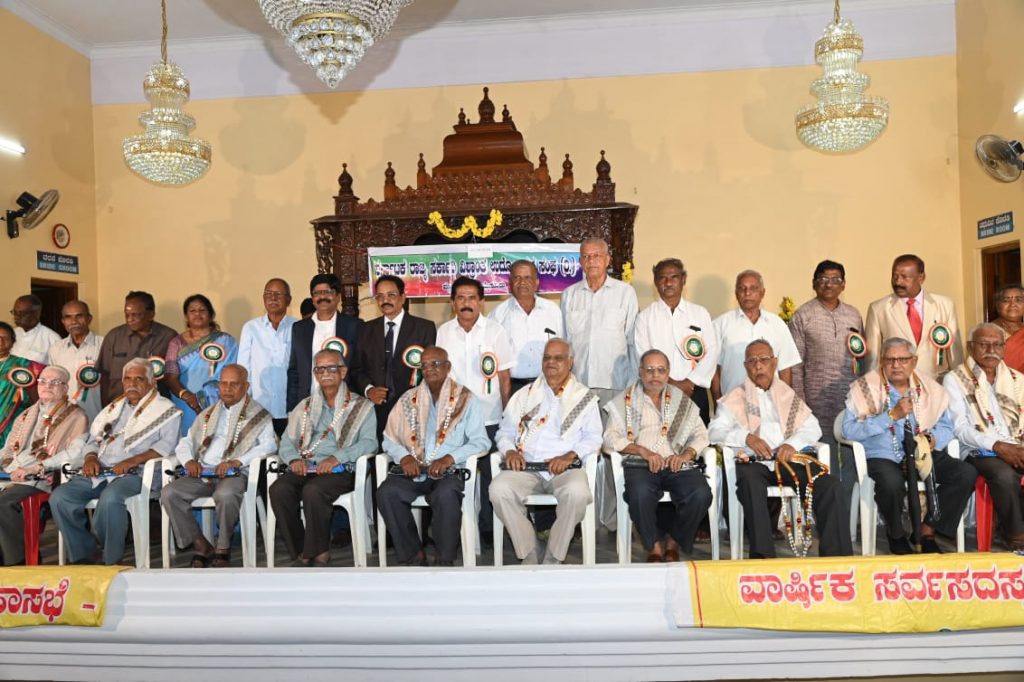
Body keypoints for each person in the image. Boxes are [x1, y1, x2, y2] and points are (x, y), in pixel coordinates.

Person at [709, 339, 851, 558]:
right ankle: (763, 558)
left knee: (831, 486)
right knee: (750, 484)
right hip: (753, 463)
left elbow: (813, 428)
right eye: (752, 361)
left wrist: (791, 444)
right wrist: (747, 438)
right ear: (745, 366)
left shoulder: (787, 395)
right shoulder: (734, 398)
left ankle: (837, 559)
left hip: (789, 462)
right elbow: (714, 431)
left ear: (774, 363)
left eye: (764, 360)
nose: (758, 366)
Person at [842, 337, 974, 554]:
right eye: (890, 360)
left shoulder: (930, 389)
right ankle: (895, 534)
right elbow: (849, 430)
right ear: (882, 361)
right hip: (883, 455)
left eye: (903, 359)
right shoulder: (864, 388)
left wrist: (933, 439)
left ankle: (927, 530)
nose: (896, 365)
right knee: (891, 483)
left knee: (965, 473)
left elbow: (946, 427)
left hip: (922, 453)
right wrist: (891, 416)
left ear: (914, 361)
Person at [50, 358, 181, 565]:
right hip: (101, 470)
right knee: (60, 497)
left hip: (137, 473)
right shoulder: (113, 408)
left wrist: (133, 460)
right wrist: (90, 458)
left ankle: (111, 559)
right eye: (127, 379)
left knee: (110, 499)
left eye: (139, 379)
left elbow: (167, 446)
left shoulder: (166, 409)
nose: (132, 384)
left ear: (151, 383)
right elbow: (92, 441)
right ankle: (85, 553)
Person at [490, 338, 602, 564]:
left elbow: (594, 437)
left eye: (558, 358)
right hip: (526, 467)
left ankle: (553, 556)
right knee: (498, 489)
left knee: (577, 493)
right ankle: (529, 551)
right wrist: (510, 452)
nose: (551, 362)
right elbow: (505, 432)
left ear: (570, 362)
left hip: (565, 468)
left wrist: (570, 456)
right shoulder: (524, 394)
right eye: (547, 357)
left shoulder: (584, 397)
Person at [378, 346, 489, 566]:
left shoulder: (466, 399)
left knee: (446, 494)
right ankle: (413, 554)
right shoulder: (408, 399)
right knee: (386, 493)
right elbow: (388, 438)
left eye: (435, 364)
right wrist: (404, 457)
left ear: (448, 367)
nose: (429, 369)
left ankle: (444, 558)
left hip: (448, 471)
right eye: (425, 365)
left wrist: (450, 458)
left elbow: (481, 441)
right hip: (414, 469)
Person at [162, 364, 277, 567]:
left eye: (234, 384)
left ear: (246, 387)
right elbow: (187, 441)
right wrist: (189, 460)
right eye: (224, 384)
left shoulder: (259, 415)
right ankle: (201, 544)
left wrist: (237, 461)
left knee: (225, 494)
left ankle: (223, 547)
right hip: (204, 472)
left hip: (235, 474)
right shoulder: (208, 414)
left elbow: (269, 445)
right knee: (170, 493)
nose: (227, 389)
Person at [270, 349, 376, 567]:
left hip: (341, 469)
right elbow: (287, 440)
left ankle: (319, 552)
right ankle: (301, 550)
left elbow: (369, 442)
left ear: (343, 372)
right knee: (279, 489)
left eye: (331, 368)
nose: (325, 373)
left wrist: (337, 457)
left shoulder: (362, 406)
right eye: (320, 369)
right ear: (315, 374)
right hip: (306, 465)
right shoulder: (305, 406)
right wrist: (294, 460)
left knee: (314, 490)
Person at [603, 349, 712, 562]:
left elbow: (701, 435)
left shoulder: (681, 400)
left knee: (700, 493)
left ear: (668, 372)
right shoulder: (625, 401)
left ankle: (673, 542)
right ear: (640, 372)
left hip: (676, 463)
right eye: (650, 370)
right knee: (640, 493)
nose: (655, 375)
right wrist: (641, 450)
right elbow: (609, 438)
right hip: (640, 465)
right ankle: (653, 547)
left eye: (661, 370)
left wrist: (686, 454)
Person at [436, 276, 514, 539]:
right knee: (454, 473)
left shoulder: (495, 331)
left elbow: (504, 376)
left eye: (472, 298)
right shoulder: (443, 332)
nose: (466, 303)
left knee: (491, 475)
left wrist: (507, 415)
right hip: (455, 419)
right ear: (452, 303)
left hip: (490, 416)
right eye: (460, 298)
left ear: (481, 302)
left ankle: (489, 529)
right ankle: (459, 531)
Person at [943, 323, 1024, 551]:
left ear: (1004, 348)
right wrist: (997, 446)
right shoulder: (955, 379)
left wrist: (1016, 447)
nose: (991, 350)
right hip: (977, 449)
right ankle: (1016, 536)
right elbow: (960, 428)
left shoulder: (1017, 379)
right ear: (971, 347)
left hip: (1016, 444)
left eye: (997, 344)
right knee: (1003, 474)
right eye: (984, 344)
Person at [789, 260, 865, 499]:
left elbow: (861, 358)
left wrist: (862, 399)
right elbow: (795, 364)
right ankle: (825, 509)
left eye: (835, 280)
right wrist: (801, 403)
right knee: (822, 459)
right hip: (815, 401)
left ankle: (849, 510)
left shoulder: (854, 315)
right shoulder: (803, 315)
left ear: (843, 284)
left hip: (849, 401)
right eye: (823, 279)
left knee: (852, 456)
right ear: (814, 284)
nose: (829, 284)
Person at [0, 366, 88, 565]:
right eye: (43, 381)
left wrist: (37, 468)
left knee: (2, 503)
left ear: (65, 388)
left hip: (42, 477)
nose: (47, 386)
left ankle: (19, 562)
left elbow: (74, 453)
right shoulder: (26, 414)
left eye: (55, 382)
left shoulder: (76, 416)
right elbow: (7, 449)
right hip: (11, 472)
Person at [352, 275, 436, 444]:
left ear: (403, 297)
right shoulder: (365, 329)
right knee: (378, 456)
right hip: (375, 410)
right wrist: (369, 390)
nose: (385, 300)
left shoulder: (424, 328)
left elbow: (431, 370)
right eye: (380, 296)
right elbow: (355, 369)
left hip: (413, 409)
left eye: (391, 295)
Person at [634, 258, 718, 424]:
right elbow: (642, 355)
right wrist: (669, 384)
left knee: (698, 437)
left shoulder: (700, 314)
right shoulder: (644, 318)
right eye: (662, 278)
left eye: (674, 277)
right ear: (655, 282)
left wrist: (690, 383)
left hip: (695, 391)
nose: (668, 282)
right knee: (659, 436)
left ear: (683, 279)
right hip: (658, 392)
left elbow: (711, 351)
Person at [560, 237, 637, 404]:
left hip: (615, 383)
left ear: (607, 260)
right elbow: (565, 341)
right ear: (580, 262)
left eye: (596, 256)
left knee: (614, 423)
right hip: (579, 384)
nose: (591, 261)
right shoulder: (569, 294)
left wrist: (633, 383)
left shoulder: (625, 293)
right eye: (586, 256)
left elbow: (632, 342)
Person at [864, 254, 962, 381]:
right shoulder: (878, 309)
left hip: (937, 384)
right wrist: (874, 386)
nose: (898, 282)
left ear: (921, 277)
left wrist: (959, 385)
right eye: (895, 276)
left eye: (904, 277)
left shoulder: (945, 305)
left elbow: (955, 355)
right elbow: (872, 359)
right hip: (897, 386)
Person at [712, 270, 800, 400]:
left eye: (753, 288)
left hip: (772, 403)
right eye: (742, 288)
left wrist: (784, 401)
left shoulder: (777, 324)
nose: (747, 293)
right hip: (733, 403)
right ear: (736, 294)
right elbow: (714, 369)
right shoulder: (720, 324)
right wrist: (718, 402)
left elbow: (785, 368)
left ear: (762, 293)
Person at [164, 294, 238, 435]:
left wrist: (211, 396)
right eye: (192, 311)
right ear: (186, 316)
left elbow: (234, 374)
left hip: (218, 401)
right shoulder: (176, 342)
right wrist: (188, 397)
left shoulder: (226, 341)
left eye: (202, 310)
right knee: (187, 441)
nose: (197, 314)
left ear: (211, 314)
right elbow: (170, 377)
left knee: (216, 441)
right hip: (185, 403)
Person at [286, 274, 359, 412]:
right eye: (317, 293)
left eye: (327, 292)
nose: (322, 297)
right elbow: (294, 371)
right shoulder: (299, 328)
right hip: (307, 403)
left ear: (338, 296)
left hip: (344, 404)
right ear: (313, 299)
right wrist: (292, 409)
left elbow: (359, 367)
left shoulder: (354, 326)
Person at [490, 260, 564, 394]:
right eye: (517, 278)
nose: (522, 282)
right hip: (512, 387)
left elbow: (563, 350)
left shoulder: (553, 311)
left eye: (527, 278)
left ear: (536, 282)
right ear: (510, 283)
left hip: (547, 386)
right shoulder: (498, 314)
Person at [237, 278, 297, 435]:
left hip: (289, 407)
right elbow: (243, 368)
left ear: (288, 300)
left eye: (278, 294)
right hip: (259, 407)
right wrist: (245, 404)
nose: (273, 298)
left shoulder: (298, 327)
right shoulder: (251, 328)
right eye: (268, 294)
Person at [96, 291, 176, 405]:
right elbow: (104, 376)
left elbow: (173, 376)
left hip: (154, 407)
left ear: (151, 315)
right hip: (119, 405)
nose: (130, 319)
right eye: (127, 315)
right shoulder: (113, 337)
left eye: (136, 315)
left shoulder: (168, 337)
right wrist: (106, 407)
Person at [46, 300, 104, 422]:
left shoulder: (104, 344)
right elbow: (52, 383)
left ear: (89, 319)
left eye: (79, 316)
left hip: (96, 415)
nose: (74, 321)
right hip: (64, 417)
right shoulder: (55, 349)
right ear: (63, 321)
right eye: (68, 317)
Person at [0, 321, 43, 448]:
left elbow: (36, 397)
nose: (1, 342)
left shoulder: (23, 365)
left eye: (5, 338)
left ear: (13, 342)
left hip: (12, 421)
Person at [10, 294, 60, 364]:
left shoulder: (52, 338)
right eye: (15, 312)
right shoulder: (10, 334)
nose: (16, 316)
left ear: (36, 314)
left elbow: (58, 367)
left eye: (22, 313)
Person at [990, 284, 1024, 373]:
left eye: (1018, 300)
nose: (1013, 304)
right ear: (998, 306)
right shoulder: (985, 332)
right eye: (1006, 300)